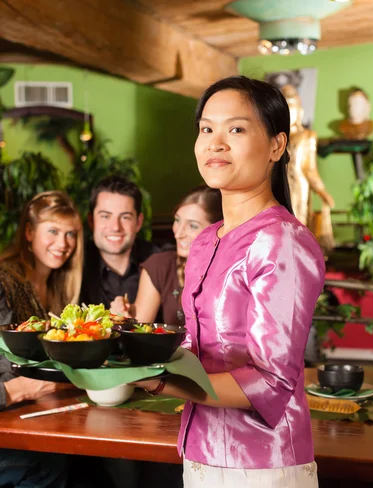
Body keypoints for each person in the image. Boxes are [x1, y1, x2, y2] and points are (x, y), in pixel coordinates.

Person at [134, 76, 325, 487]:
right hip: (200, 454)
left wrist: (159, 382)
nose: (215, 143)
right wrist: (126, 357)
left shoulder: (282, 241)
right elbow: (195, 348)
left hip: (262, 465)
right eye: (206, 129)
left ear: (277, 145)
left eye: (235, 129)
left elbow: (272, 382)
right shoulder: (206, 240)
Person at [0, 190, 83, 488]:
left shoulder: (57, 291)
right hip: (11, 437)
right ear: (28, 232)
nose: (63, 244)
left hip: (44, 423)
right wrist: (20, 389)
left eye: (70, 234)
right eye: (53, 231)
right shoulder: (3, 281)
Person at [110, 186, 222, 325]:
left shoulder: (235, 272)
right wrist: (125, 315)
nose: (178, 233)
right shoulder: (160, 265)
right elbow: (139, 329)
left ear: (219, 229)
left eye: (192, 226)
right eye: (177, 220)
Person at [79, 175, 159, 308]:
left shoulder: (158, 262)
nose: (115, 227)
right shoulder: (75, 265)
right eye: (105, 216)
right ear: (91, 221)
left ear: (138, 222)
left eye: (125, 217)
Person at [281, 83, 335, 253]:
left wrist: (322, 191)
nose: (288, 112)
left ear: (299, 111)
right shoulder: (273, 138)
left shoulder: (307, 136)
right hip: (276, 186)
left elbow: (309, 169)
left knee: (297, 225)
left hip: (298, 187)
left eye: (291, 107)